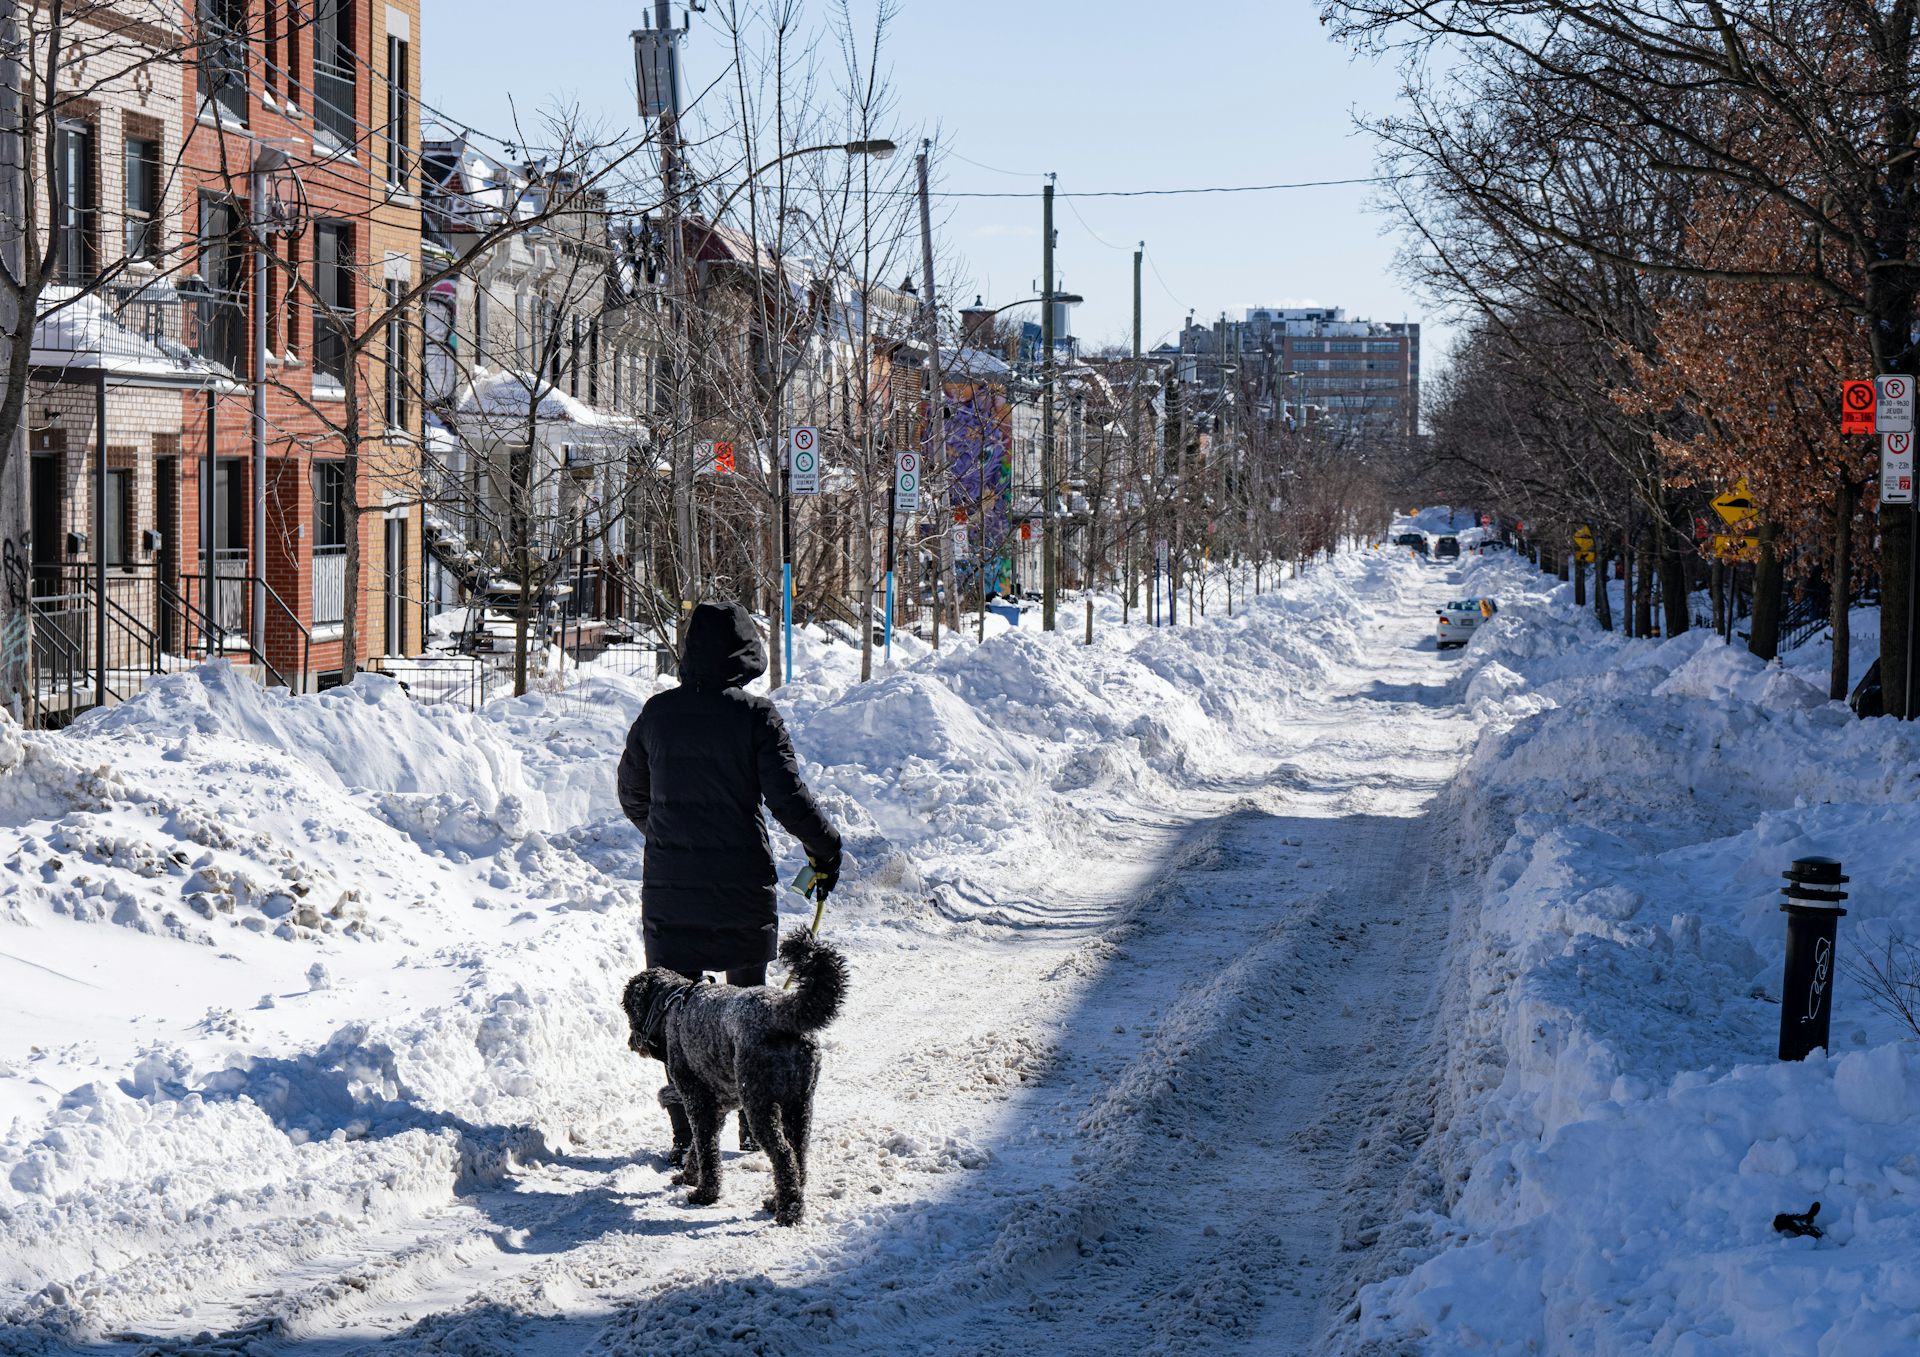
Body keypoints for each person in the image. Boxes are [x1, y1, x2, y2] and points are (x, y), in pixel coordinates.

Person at [617, 601, 843, 1157]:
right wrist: (825, 848)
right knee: (747, 1006)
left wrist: (668, 833)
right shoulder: (756, 717)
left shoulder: (657, 714)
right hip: (742, 884)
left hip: (670, 887)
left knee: (675, 1015)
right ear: (746, 655)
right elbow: (788, 799)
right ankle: (750, 1120)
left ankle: (687, 1133)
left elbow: (631, 792)